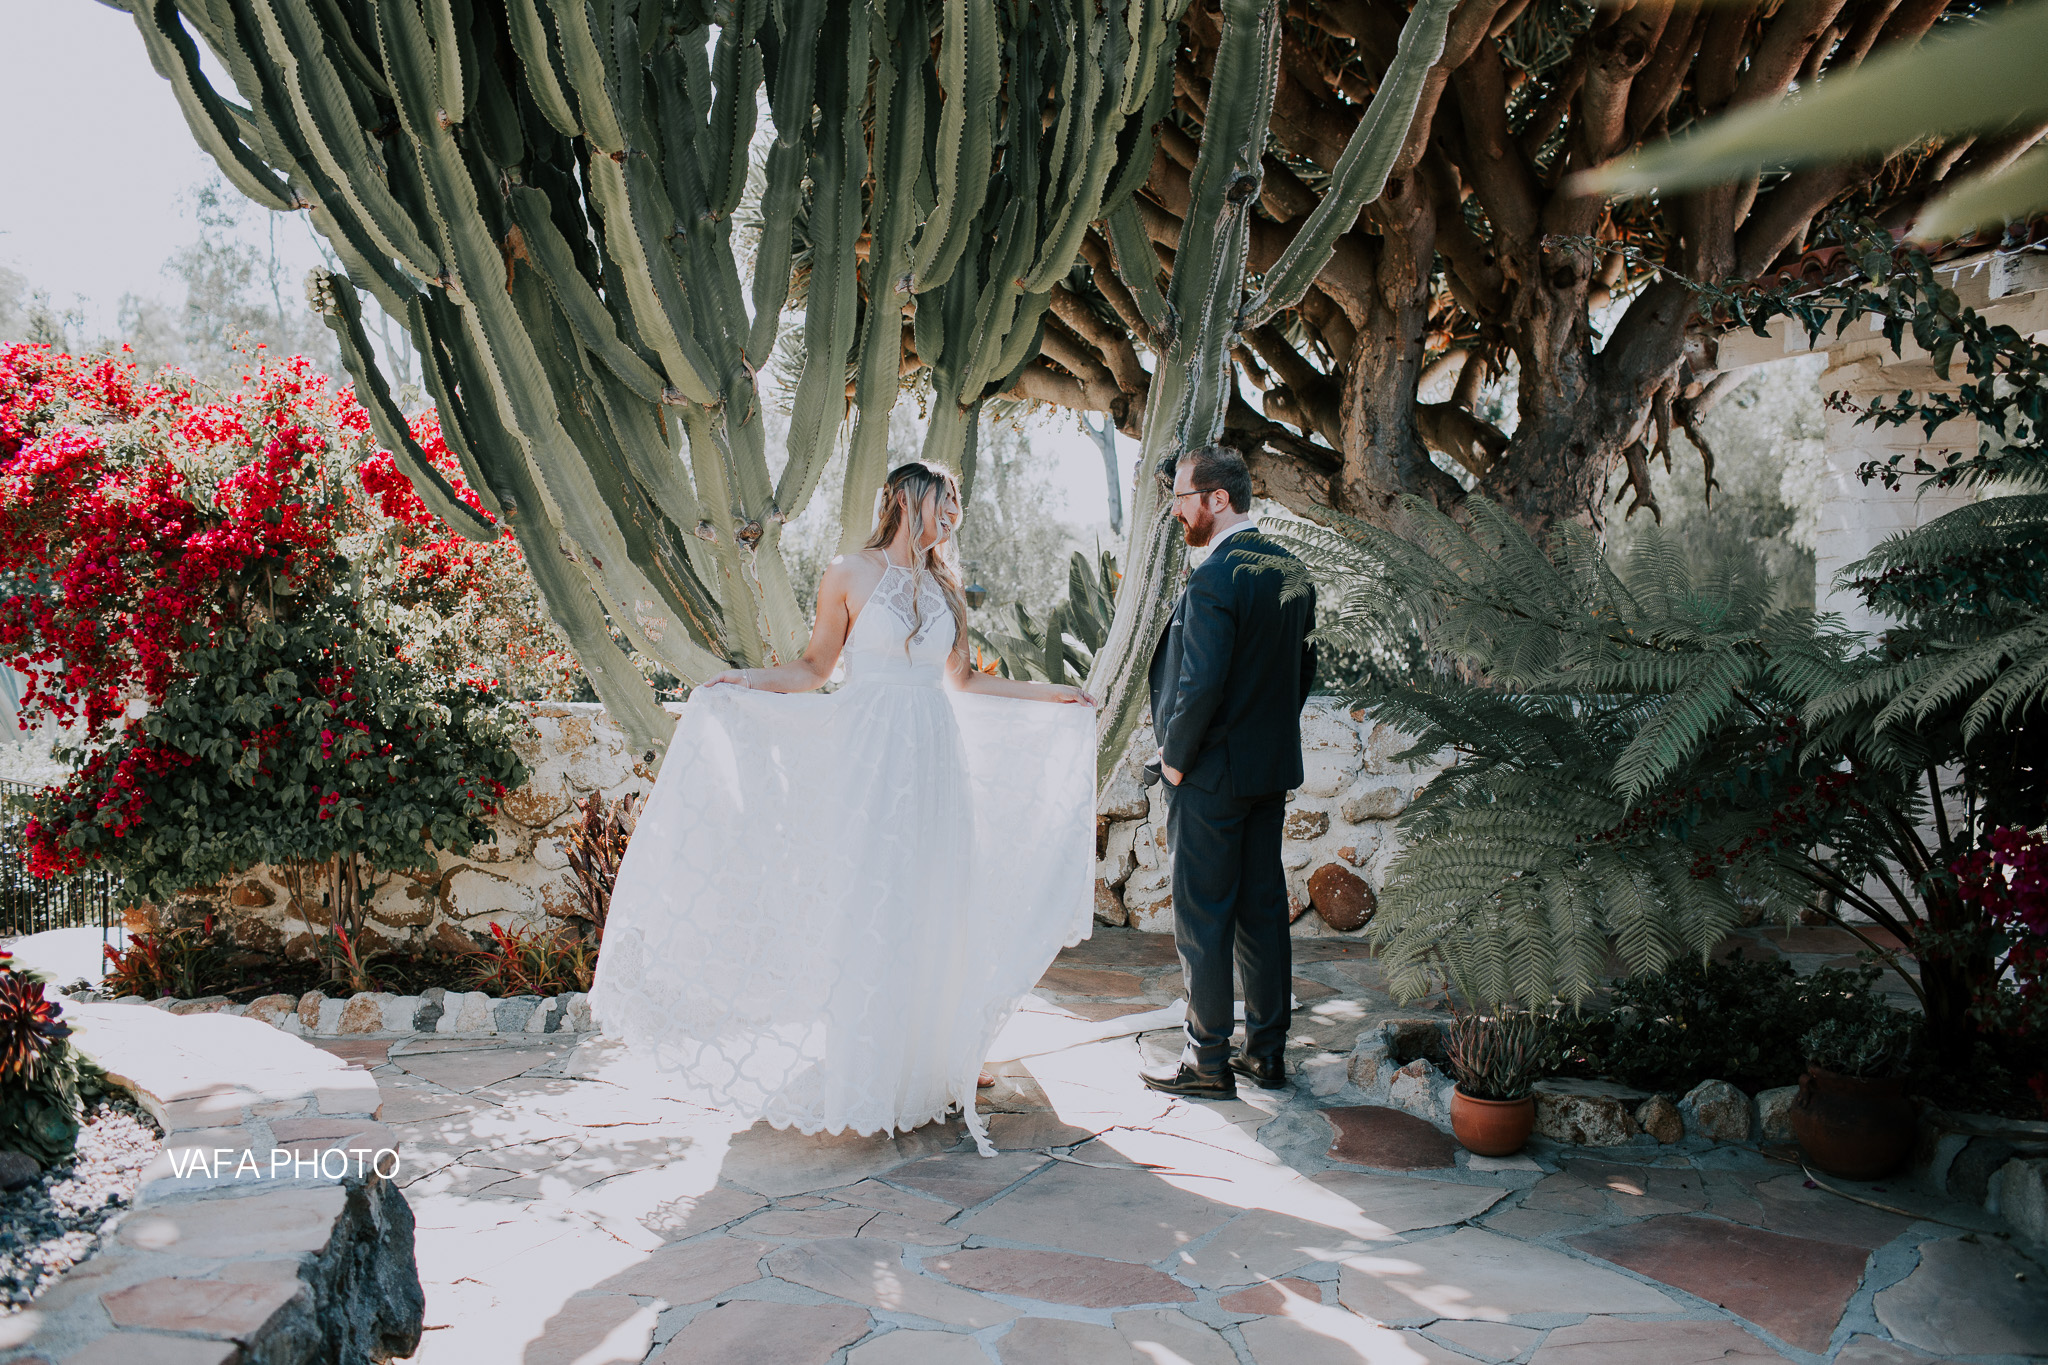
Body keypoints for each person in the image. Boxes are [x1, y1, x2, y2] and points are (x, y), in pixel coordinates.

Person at [590, 461, 1097, 1158]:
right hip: (872, 758)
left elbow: (968, 679)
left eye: (955, 508)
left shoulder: (947, 585)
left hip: (934, 758)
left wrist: (1056, 698)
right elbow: (813, 669)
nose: (950, 517)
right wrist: (747, 681)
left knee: (932, 900)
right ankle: (867, 1068)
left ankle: (932, 1059)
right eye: (940, 504)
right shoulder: (847, 574)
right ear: (903, 501)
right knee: (872, 901)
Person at [1140, 444, 1317, 1099]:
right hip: (1266, 775)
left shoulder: (1215, 577)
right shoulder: (1289, 567)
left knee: (1202, 919)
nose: (1178, 509)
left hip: (1209, 777)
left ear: (1218, 499)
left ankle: (1207, 1060)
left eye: (1184, 496)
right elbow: (1304, 672)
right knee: (1262, 911)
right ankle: (1266, 1054)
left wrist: (1177, 761)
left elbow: (1201, 682)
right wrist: (1262, 738)